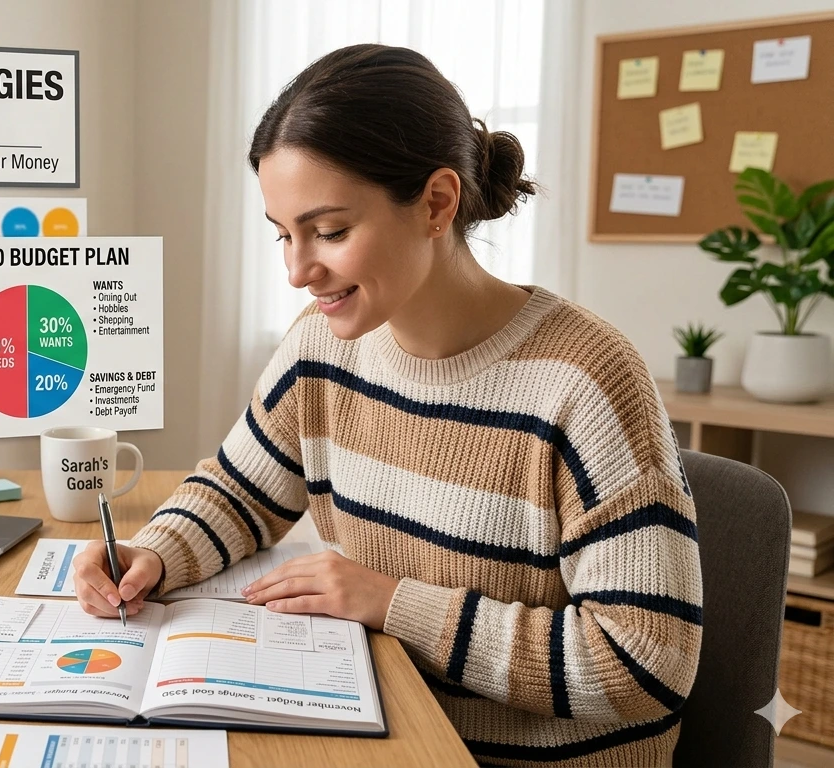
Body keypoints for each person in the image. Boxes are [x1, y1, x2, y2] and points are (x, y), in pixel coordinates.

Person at [73, 44, 701, 766]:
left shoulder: (585, 381)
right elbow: (241, 490)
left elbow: (646, 666)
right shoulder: (323, 346)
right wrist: (154, 553)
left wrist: (391, 602)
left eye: (330, 232)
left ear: (437, 203)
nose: (298, 270)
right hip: (382, 729)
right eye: (284, 234)